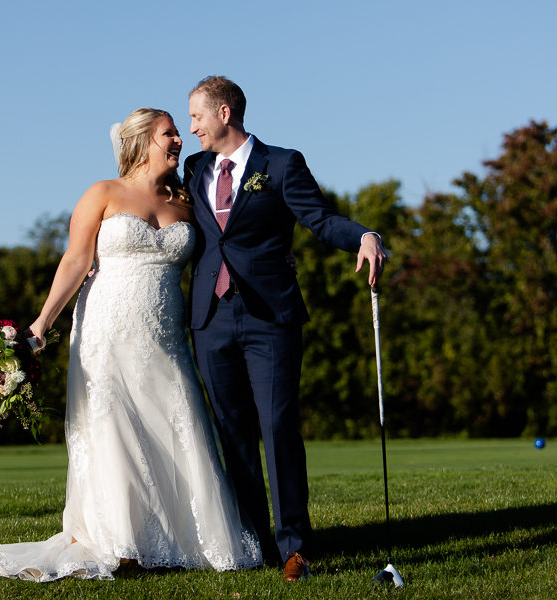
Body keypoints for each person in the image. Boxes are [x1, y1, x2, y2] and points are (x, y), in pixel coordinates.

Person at [0, 108, 262, 581]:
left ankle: (185, 537)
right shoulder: (103, 193)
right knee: (112, 429)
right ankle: (121, 542)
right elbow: (75, 259)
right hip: (104, 329)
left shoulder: (187, 202)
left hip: (165, 334)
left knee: (174, 423)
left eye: (178, 132)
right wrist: (41, 323)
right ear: (141, 141)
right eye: (169, 133)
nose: (180, 140)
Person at [184, 76, 387, 582]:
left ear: (224, 113)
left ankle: (295, 546)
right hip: (210, 319)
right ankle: (253, 541)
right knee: (233, 434)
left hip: (269, 317)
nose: (192, 129)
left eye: (197, 117)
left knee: (277, 428)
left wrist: (364, 234)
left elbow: (319, 219)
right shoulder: (193, 169)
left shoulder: (281, 164)